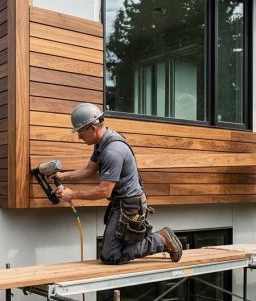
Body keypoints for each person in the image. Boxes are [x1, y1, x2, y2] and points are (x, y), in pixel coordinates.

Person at [54, 103, 183, 264]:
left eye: (80, 131)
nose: (79, 136)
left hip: (130, 206)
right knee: (114, 251)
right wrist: (61, 176)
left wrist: (72, 194)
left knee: (111, 256)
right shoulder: (102, 143)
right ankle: (157, 240)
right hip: (121, 203)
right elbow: (89, 170)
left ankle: (161, 239)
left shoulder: (112, 151)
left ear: (93, 128)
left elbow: (104, 191)